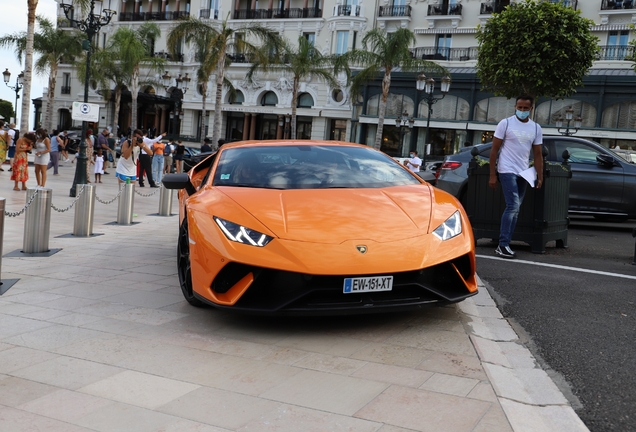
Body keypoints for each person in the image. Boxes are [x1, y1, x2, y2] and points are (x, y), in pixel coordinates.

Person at [489, 95, 544, 259]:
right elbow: (494, 150)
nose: (522, 110)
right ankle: (503, 244)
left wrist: (539, 176)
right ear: (515, 107)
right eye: (519, 107)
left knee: (516, 209)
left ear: (531, 109)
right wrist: (492, 174)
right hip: (506, 169)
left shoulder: (535, 128)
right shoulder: (505, 123)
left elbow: (538, 154)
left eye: (525, 108)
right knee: (513, 206)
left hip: (524, 172)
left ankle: (505, 243)